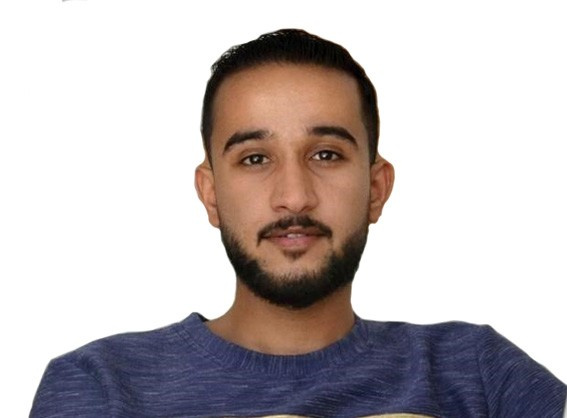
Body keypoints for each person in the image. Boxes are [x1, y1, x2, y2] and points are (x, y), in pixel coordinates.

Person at [30, 29, 566, 418]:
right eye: (255, 159)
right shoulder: (101, 387)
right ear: (211, 194)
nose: (294, 196)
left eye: (327, 155)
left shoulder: (479, 373)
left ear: (376, 188)